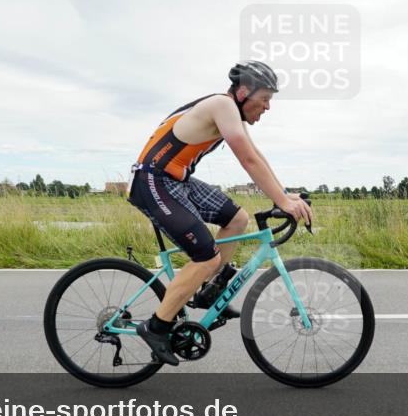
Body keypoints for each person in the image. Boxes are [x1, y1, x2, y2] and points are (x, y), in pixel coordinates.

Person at [127, 61, 313, 365]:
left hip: (176, 180)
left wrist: (284, 195)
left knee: (237, 219)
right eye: (264, 99)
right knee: (207, 257)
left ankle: (209, 291)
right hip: (153, 181)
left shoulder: (230, 111)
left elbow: (257, 156)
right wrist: (281, 200)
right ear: (242, 93)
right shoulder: (222, 105)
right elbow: (248, 160)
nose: (267, 107)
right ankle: (157, 326)